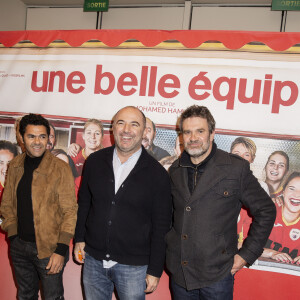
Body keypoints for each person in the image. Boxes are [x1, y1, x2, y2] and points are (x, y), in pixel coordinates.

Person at [166, 105, 276, 300]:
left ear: (212, 133)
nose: (193, 138)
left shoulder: (235, 168)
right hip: (180, 276)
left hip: (217, 276)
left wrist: (246, 255)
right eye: (188, 132)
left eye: (200, 131)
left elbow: (266, 210)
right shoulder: (175, 169)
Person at [74, 106, 172, 300]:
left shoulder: (158, 174)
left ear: (144, 131)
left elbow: (161, 226)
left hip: (134, 268)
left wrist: (154, 269)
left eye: (134, 124)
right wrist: (79, 238)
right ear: (112, 128)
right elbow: (84, 203)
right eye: (121, 123)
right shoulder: (94, 162)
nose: (126, 129)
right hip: (93, 260)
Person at [0, 114, 78, 300]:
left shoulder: (60, 168)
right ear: (22, 138)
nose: (37, 142)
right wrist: (13, 235)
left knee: (53, 297)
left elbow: (70, 210)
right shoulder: (16, 164)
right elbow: (7, 203)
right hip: (19, 247)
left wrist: (60, 249)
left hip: (50, 249)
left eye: (42, 136)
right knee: (25, 296)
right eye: (31, 136)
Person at [262, 172, 300, 265]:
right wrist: (271, 253)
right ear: (283, 192)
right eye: (292, 189)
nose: (297, 195)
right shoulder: (267, 211)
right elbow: (238, 245)